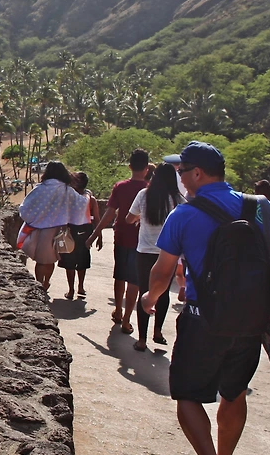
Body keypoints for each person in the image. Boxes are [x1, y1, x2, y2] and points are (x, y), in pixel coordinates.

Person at [143, 141, 270, 455]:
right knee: (234, 393)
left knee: (188, 396)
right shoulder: (260, 207)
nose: (178, 177)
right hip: (251, 321)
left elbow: (162, 271)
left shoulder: (184, 214)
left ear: (197, 174)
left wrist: (151, 298)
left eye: (181, 171)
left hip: (202, 318)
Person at [127, 162, 185, 351]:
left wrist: (139, 219)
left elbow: (129, 218)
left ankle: (142, 339)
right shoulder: (177, 199)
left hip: (145, 251)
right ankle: (158, 331)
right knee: (163, 292)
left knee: (144, 290)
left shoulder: (144, 195)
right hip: (168, 253)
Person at [93, 148, 150, 334]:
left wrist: (95, 234)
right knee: (134, 280)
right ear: (147, 168)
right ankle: (126, 320)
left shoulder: (120, 187)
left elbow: (109, 213)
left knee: (120, 275)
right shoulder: (149, 190)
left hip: (121, 237)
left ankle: (117, 310)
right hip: (141, 241)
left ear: (130, 166)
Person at [18, 161, 87, 293]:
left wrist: (35, 218)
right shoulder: (67, 190)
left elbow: (25, 207)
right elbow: (80, 205)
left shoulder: (40, 188)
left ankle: (39, 283)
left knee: (40, 260)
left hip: (40, 229)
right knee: (51, 259)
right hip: (58, 230)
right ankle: (45, 282)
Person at [59, 171, 98, 300]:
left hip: (71, 229)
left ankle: (71, 290)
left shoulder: (70, 196)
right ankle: (81, 287)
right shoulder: (90, 199)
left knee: (69, 261)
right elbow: (97, 218)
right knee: (82, 260)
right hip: (86, 230)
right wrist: (99, 235)